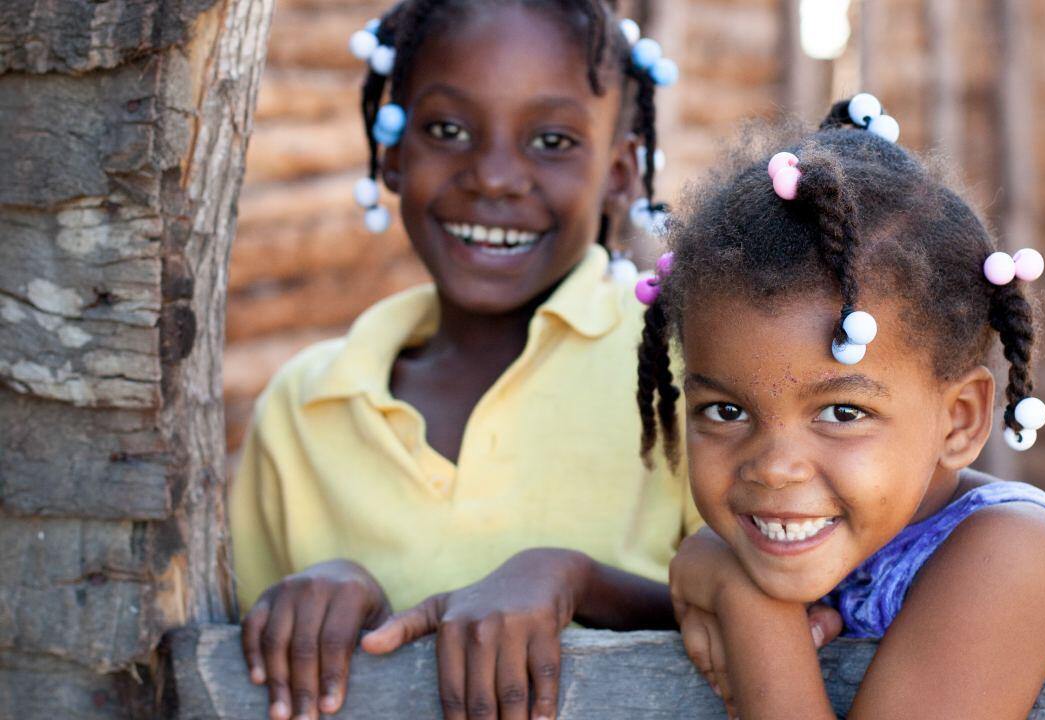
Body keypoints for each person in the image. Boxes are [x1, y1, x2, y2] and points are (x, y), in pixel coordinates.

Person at [229, 4, 713, 719]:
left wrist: (578, 583)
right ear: (392, 151)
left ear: (619, 172)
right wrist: (314, 602)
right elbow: (234, 659)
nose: (493, 178)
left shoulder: (684, 372)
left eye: (551, 141)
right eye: (447, 131)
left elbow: (759, 611)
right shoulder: (305, 408)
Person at [635, 94, 1045, 719]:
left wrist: (747, 602)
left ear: (960, 420)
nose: (774, 468)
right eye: (726, 412)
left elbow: (730, 603)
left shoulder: (1013, 555)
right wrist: (578, 577)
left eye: (842, 413)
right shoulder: (814, 537)